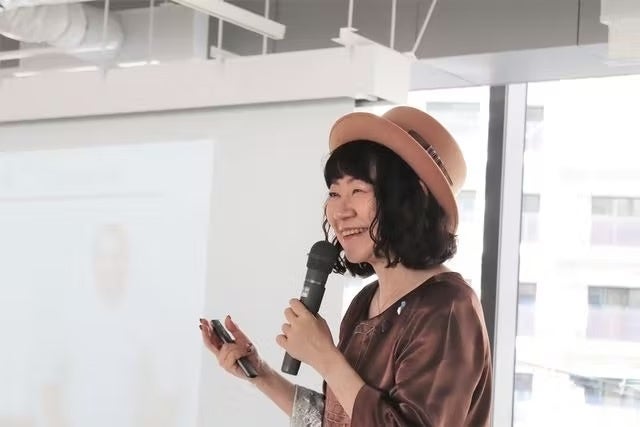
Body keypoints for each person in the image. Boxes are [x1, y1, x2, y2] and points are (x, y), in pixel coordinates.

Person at [199, 106, 493, 426]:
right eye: (334, 193)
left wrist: (326, 358)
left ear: (411, 200)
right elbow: (339, 418)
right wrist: (261, 373)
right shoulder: (365, 302)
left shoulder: (447, 307)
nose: (340, 211)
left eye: (357, 191)